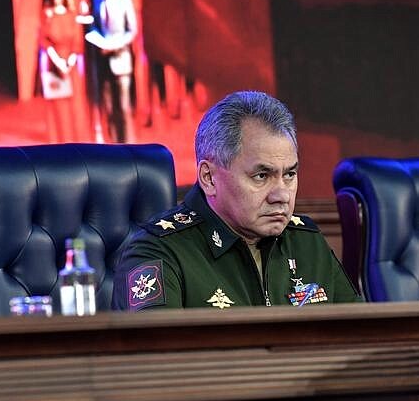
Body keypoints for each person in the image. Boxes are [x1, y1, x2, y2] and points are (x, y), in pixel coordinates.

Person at [112, 90, 362, 310]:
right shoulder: (158, 251)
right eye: (262, 176)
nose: (282, 195)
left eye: (289, 174)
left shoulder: (306, 242)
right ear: (209, 178)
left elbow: (359, 339)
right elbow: (159, 359)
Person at [39, 0, 90, 143]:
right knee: (58, 110)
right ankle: (60, 146)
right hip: (54, 66)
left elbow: (77, 42)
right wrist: (58, 61)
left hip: (71, 67)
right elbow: (44, 41)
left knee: (74, 109)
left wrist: (69, 62)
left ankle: (76, 147)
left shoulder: (71, 14)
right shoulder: (47, 14)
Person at [88, 0, 136, 144]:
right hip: (104, 61)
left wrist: (115, 46)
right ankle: (114, 145)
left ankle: (129, 145)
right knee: (109, 107)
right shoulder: (97, 0)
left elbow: (132, 30)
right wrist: (97, 39)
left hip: (121, 59)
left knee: (123, 107)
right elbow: (95, 27)